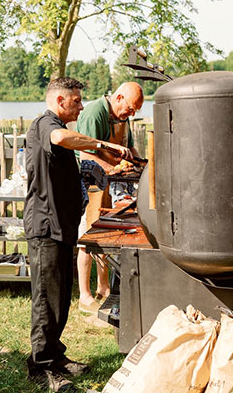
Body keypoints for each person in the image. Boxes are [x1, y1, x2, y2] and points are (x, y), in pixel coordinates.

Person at [25, 77, 132, 392]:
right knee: (46, 299)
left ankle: (55, 356)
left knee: (60, 297)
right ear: (60, 101)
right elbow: (60, 137)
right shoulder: (45, 124)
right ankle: (41, 367)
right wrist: (102, 145)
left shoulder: (57, 126)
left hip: (62, 226)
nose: (82, 106)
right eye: (76, 101)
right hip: (45, 227)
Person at [76, 82, 144, 313]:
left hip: (111, 183)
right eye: (131, 108)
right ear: (119, 98)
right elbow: (86, 154)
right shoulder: (95, 113)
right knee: (88, 237)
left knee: (105, 235)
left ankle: (103, 286)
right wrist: (113, 169)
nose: (131, 114)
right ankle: (84, 295)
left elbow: (130, 149)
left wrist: (141, 166)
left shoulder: (123, 117)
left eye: (135, 111)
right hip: (91, 183)